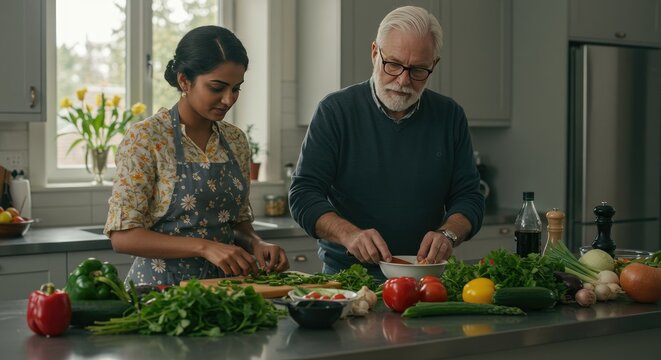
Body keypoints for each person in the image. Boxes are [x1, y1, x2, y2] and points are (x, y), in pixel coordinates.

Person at [289, 6, 484, 281]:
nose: (403, 81)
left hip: (424, 278)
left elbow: (470, 197)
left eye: (418, 70)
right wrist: (349, 234)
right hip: (348, 277)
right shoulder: (335, 111)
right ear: (374, 53)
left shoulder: (450, 116)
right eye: (392, 64)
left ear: (434, 65)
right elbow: (303, 194)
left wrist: (448, 233)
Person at [105, 25, 289, 287]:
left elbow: (237, 222)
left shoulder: (235, 140)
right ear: (184, 81)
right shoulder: (147, 138)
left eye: (236, 88)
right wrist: (205, 248)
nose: (228, 99)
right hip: (161, 294)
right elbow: (123, 237)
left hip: (227, 291)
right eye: (217, 87)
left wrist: (257, 243)